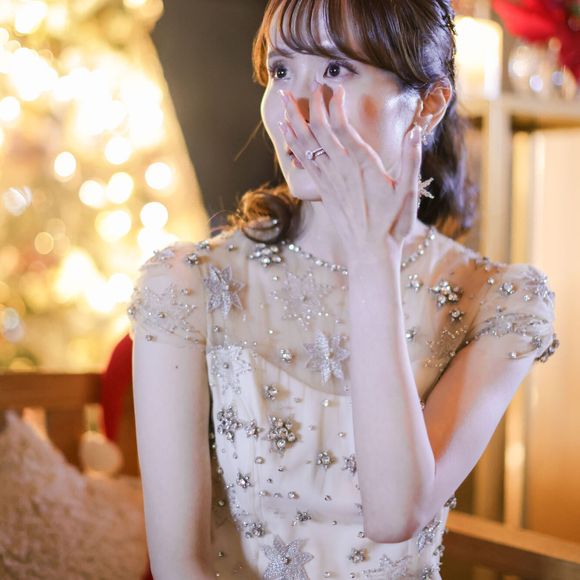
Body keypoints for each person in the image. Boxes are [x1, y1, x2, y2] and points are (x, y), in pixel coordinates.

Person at [127, 0, 560, 578]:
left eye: (334, 69)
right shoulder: (187, 284)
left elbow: (395, 515)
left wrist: (373, 255)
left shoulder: (501, 301)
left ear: (428, 105)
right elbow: (179, 565)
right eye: (281, 70)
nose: (296, 108)